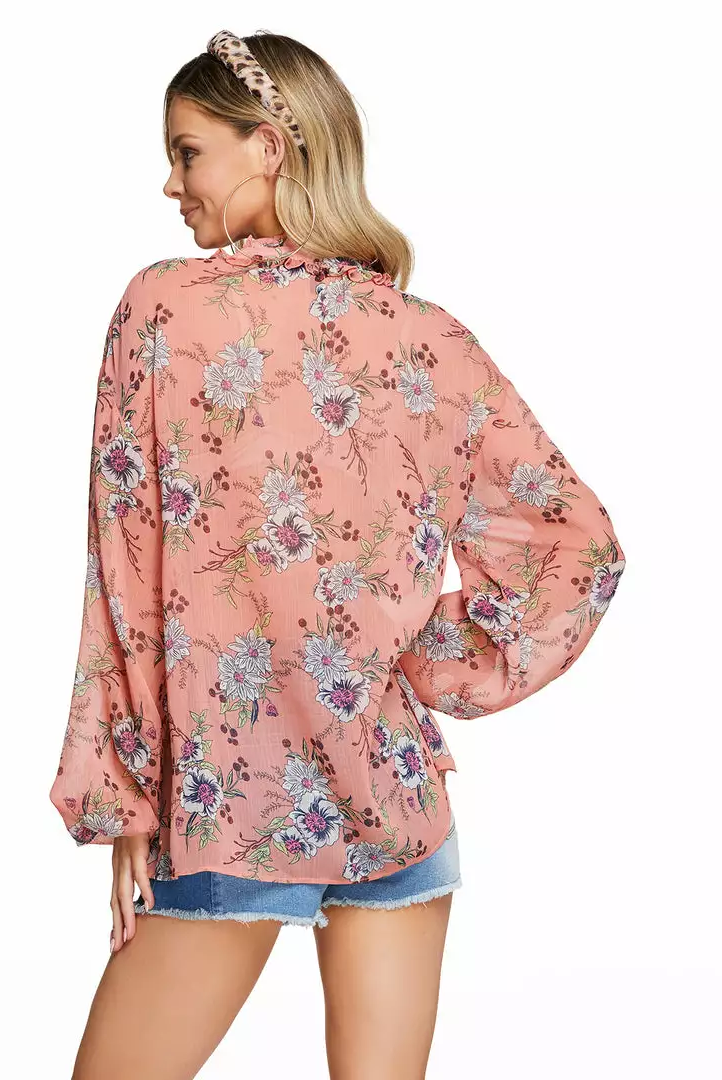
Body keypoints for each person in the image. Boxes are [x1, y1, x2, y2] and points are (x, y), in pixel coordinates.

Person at [50, 29, 627, 1080]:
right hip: (393, 794)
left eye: (187, 152)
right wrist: (410, 663)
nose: (171, 183)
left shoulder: (164, 309)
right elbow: (573, 546)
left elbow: (124, 571)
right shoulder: (425, 335)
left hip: (230, 798)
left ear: (269, 146)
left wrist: (125, 790)